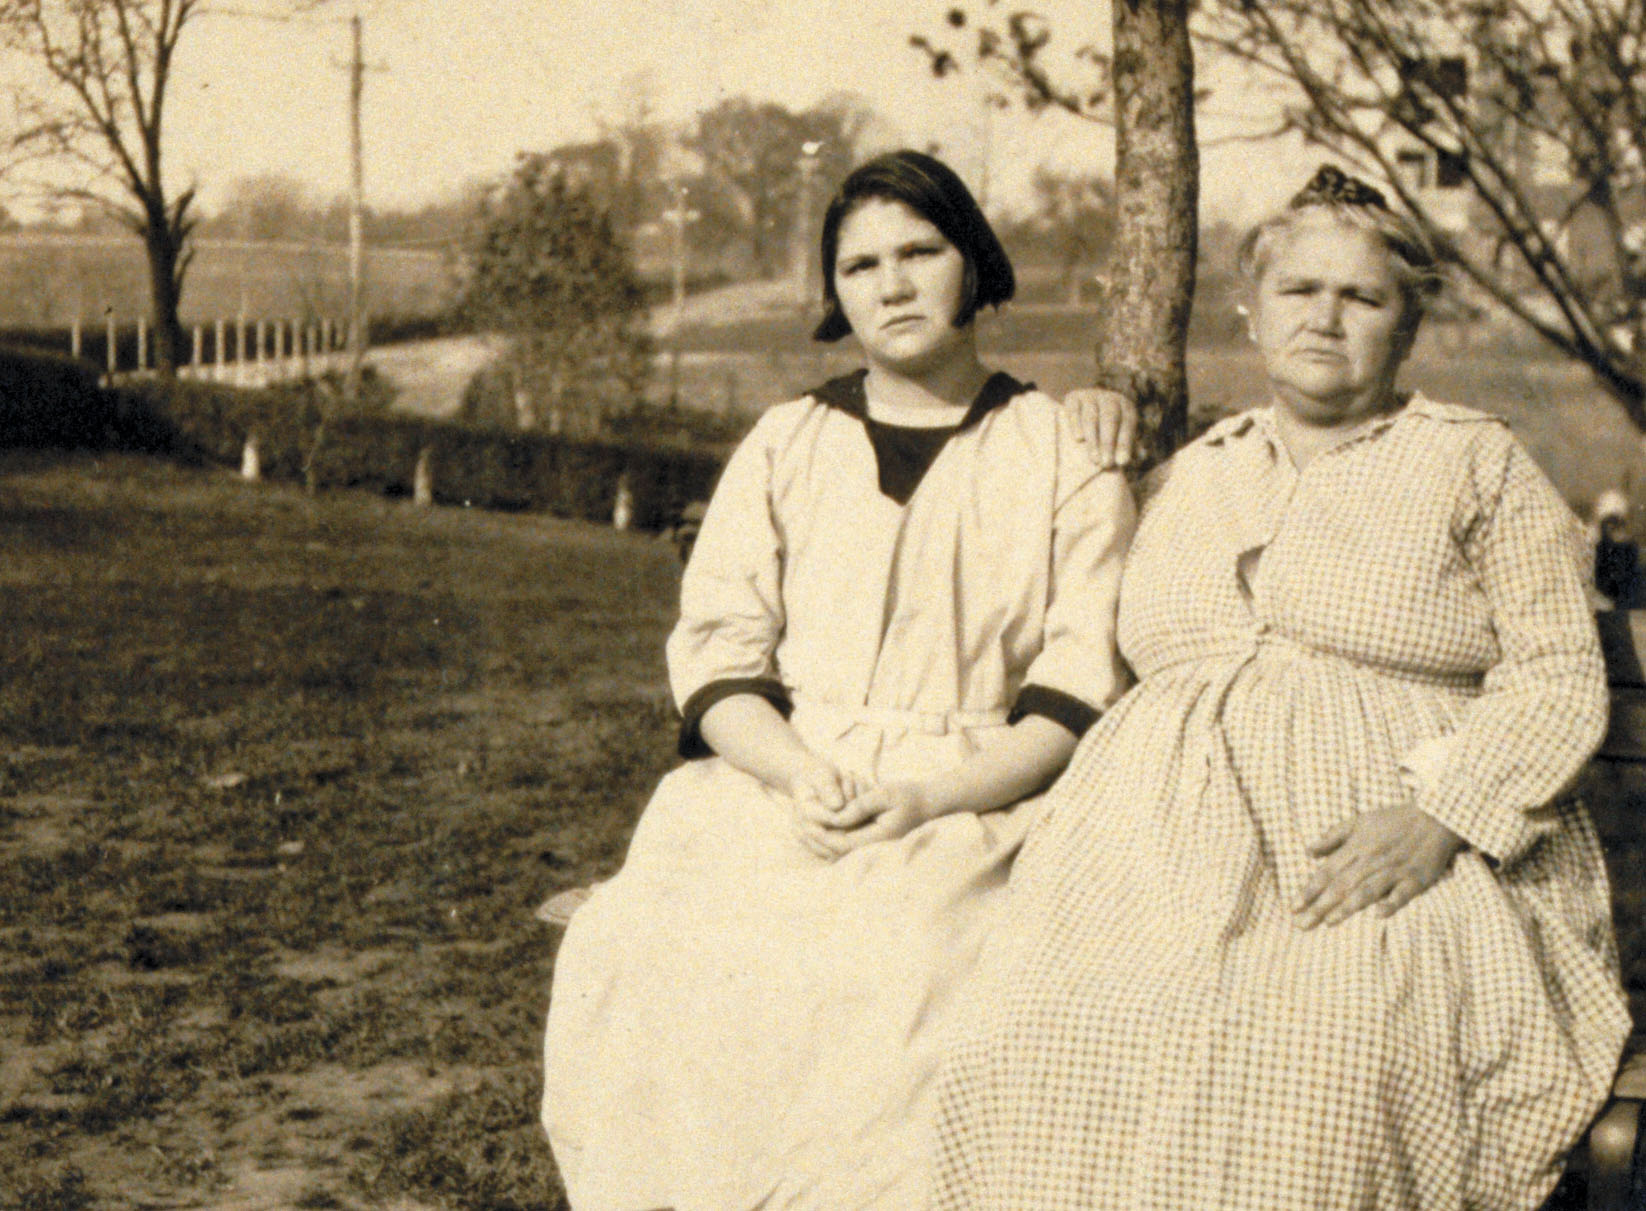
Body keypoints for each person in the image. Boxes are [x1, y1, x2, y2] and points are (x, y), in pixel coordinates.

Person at [931, 165, 1632, 1210]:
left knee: (1318, 1068)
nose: (1324, 317)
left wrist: (1441, 816)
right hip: (1147, 862)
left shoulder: (1471, 463)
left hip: (1382, 850)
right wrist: (1083, 424)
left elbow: (1555, 675)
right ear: (1250, 311)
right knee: (1030, 1041)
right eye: (1300, 290)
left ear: (1407, 325)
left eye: (1361, 296)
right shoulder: (1187, 473)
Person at [540, 149, 1136, 1211]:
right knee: (655, 953)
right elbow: (718, 655)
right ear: (835, 290)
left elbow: (1074, 683)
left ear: (974, 266)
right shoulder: (786, 440)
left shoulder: (1056, 448)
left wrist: (929, 795)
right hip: (782, 778)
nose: (892, 284)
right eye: (860, 265)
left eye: (920, 251)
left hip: (974, 792)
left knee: (905, 983)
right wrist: (795, 771)